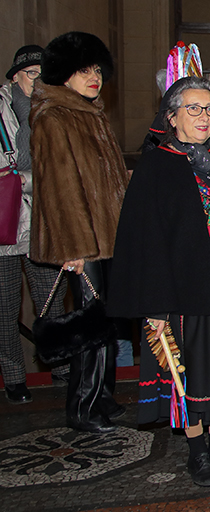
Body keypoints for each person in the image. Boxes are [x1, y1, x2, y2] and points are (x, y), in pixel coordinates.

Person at [110, 76, 210, 487]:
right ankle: (197, 452)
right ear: (172, 116)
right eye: (194, 109)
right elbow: (144, 242)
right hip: (185, 287)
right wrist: (156, 307)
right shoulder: (157, 166)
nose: (204, 117)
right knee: (194, 373)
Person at [29, 32, 128, 433]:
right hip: (83, 241)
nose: (94, 78)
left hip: (105, 238)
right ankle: (83, 407)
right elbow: (60, 188)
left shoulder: (90, 113)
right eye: (84, 70)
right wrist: (74, 247)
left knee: (106, 320)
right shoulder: (54, 117)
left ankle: (103, 396)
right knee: (91, 324)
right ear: (63, 73)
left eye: (97, 70)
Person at [0, 46, 62, 404]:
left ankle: (61, 366)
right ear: (16, 76)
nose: (37, 81)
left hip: (43, 222)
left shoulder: (50, 110)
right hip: (6, 224)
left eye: (43, 74)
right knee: (6, 306)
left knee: (50, 301)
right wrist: (30, 179)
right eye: (31, 73)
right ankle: (13, 376)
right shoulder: (3, 111)